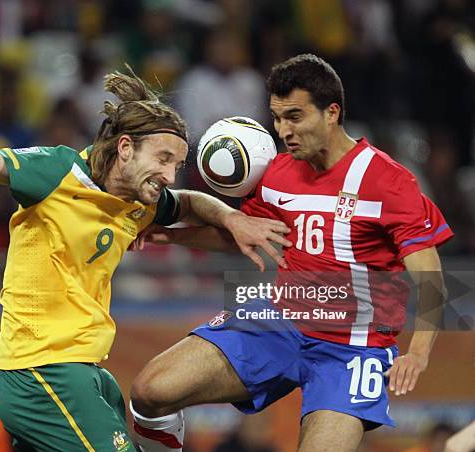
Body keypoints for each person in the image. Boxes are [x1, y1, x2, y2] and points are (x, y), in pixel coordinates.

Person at [0, 68, 290, 451]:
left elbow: (192, 204)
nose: (169, 174)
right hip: (40, 371)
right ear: (125, 148)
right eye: (162, 158)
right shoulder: (57, 173)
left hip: (85, 370)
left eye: (176, 165)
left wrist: (231, 218)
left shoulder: (139, 199)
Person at [129, 54, 453, 452]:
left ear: (331, 112)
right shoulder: (279, 172)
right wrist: (173, 238)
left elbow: (430, 276)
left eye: (295, 117)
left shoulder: (389, 182)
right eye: (277, 118)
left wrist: (418, 354)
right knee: (150, 390)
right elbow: (248, 236)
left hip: (353, 349)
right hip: (279, 322)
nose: (283, 131)